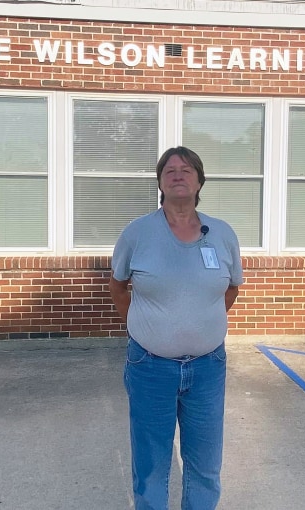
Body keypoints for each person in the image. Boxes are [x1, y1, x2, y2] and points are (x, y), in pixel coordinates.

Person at [108, 146, 243, 510]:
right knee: (151, 464)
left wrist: (199, 319)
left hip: (207, 368)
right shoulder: (137, 233)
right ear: (160, 183)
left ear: (200, 181)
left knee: (205, 463)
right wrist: (143, 325)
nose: (178, 173)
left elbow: (230, 288)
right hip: (150, 367)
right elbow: (118, 287)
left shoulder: (222, 234)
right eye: (170, 170)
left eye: (187, 169)